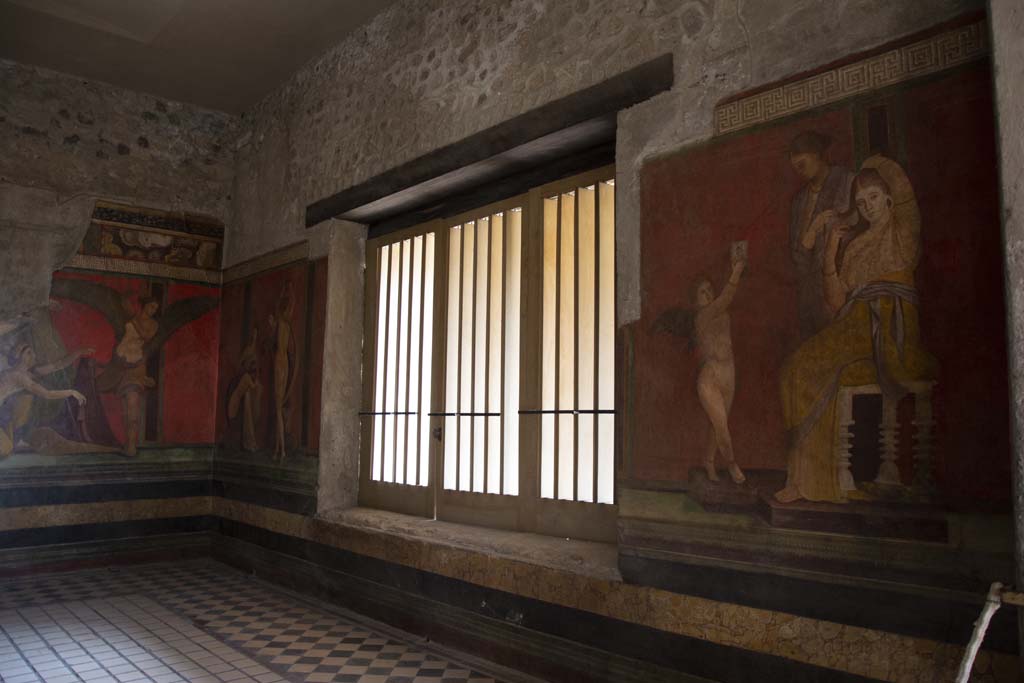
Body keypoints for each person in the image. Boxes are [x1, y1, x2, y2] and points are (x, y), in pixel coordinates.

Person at [775, 156, 936, 504]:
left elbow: (905, 193)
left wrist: (873, 164)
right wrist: (831, 252)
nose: (867, 208)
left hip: (889, 323)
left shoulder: (903, 229)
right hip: (854, 322)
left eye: (874, 198)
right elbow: (836, 302)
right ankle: (806, 480)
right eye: (861, 203)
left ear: (889, 198)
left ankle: (812, 482)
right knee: (794, 368)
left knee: (806, 369)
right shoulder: (857, 245)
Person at [787, 131, 856, 340]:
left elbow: (858, 229)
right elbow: (797, 256)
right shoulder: (799, 201)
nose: (799, 172)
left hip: (843, 290)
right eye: (795, 167)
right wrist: (813, 230)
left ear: (818, 154)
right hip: (811, 300)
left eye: (802, 164)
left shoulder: (847, 181)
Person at [693, 250, 747, 485]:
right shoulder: (703, 316)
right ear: (695, 300)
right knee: (721, 425)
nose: (707, 294)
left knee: (717, 427)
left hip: (729, 373)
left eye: (709, 290)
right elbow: (726, 297)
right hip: (710, 377)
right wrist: (736, 272)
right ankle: (733, 465)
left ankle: (709, 461)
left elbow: (723, 302)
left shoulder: (720, 312)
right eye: (702, 292)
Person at [0, 343, 92, 457]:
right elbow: (47, 394)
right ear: (20, 357)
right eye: (29, 353)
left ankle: (12, 439)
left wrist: (78, 353)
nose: (34, 355)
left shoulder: (29, 373)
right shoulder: (18, 376)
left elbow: (58, 365)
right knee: (5, 450)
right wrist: (72, 392)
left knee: (24, 401)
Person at [96, 295, 160, 456]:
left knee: (133, 407)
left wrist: (132, 319)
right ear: (145, 305)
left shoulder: (152, 324)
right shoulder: (130, 317)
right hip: (121, 366)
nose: (153, 311)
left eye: (155, 309)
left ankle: (132, 446)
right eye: (151, 307)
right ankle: (128, 444)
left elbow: (146, 336)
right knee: (126, 410)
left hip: (136, 367)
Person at [268, 283, 296, 461]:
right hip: (284, 361)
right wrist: (289, 291)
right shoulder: (287, 324)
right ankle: (278, 449)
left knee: (278, 407)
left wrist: (283, 293)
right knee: (278, 406)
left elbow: (271, 342)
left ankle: (282, 450)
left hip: (279, 362)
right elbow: (292, 303)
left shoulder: (279, 323)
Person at [227, 327, 262, 452]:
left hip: (243, 394)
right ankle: (248, 441)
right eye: (253, 335)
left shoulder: (253, 353)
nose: (254, 338)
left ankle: (249, 440)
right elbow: (240, 366)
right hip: (237, 401)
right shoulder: (246, 376)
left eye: (256, 335)